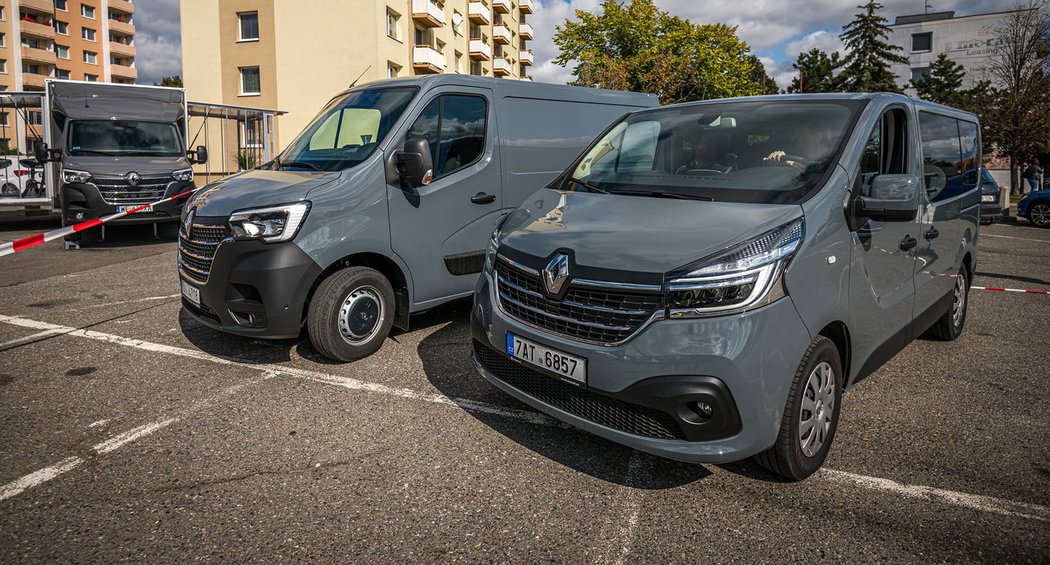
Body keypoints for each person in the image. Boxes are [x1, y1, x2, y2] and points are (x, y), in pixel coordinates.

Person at [764, 122, 832, 172]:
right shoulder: (797, 156)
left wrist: (794, 165)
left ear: (817, 137)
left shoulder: (834, 160)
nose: (794, 140)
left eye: (800, 136)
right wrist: (780, 162)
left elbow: (819, 177)